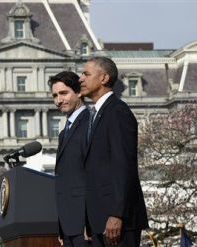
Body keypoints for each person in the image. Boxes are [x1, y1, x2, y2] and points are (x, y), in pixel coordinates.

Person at [79, 57, 148, 247]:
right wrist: (88, 219)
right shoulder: (95, 115)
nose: (80, 79)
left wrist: (116, 214)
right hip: (99, 221)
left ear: (103, 78)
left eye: (86, 74)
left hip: (118, 222)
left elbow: (123, 165)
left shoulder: (118, 112)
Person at [49, 71, 91, 247]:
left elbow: (93, 174)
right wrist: (62, 227)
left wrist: (89, 221)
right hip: (68, 227)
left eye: (64, 93)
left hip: (86, 226)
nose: (59, 100)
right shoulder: (63, 133)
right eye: (55, 95)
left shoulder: (91, 122)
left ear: (79, 92)